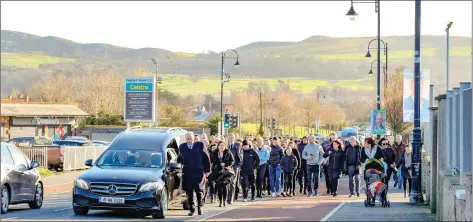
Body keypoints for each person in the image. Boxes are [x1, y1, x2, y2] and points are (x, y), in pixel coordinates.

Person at [177, 132, 211, 216]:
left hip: (198, 171)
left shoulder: (200, 145)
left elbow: (206, 158)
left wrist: (207, 171)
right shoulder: (182, 147)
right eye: (188, 139)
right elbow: (180, 159)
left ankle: (200, 206)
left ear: (194, 139)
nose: (189, 141)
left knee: (199, 190)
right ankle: (192, 208)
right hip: (188, 172)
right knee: (189, 191)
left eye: (191, 139)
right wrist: (179, 165)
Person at [209, 141, 235, 207]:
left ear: (225, 146)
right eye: (220, 145)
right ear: (218, 146)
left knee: (225, 186)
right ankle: (220, 201)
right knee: (219, 187)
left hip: (226, 172)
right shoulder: (214, 153)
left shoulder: (228, 152)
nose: (222, 147)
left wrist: (226, 164)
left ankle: (225, 201)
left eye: (223, 145)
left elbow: (232, 161)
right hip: (218, 172)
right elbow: (210, 161)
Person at [227, 134, 242, 204]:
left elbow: (240, 156)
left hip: (235, 166)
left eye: (233, 137)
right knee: (227, 182)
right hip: (227, 166)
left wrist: (238, 165)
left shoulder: (237, 145)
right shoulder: (226, 145)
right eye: (230, 137)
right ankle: (227, 197)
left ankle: (231, 198)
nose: (231, 139)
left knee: (233, 182)